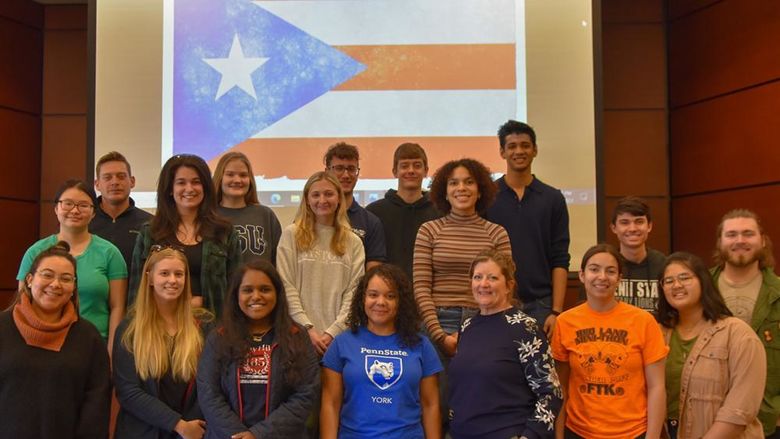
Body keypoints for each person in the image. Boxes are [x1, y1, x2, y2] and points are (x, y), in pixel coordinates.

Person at [413, 158, 511, 433]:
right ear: (444, 192)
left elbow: (504, 288)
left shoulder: (497, 233)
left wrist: (479, 331)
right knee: (438, 405)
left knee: (477, 404)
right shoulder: (428, 231)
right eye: (453, 183)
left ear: (480, 190)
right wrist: (440, 336)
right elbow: (421, 287)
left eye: (469, 182)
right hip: (436, 324)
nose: (461, 188)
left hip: (484, 324)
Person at [551, 243, 667, 439]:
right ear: (581, 275)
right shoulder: (565, 322)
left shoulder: (643, 321)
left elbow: (657, 386)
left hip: (633, 432)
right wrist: (559, 435)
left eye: (610, 271)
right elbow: (561, 386)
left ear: (619, 279)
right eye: (594, 269)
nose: (602, 277)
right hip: (579, 432)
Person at [197, 260, 319, 439]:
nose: (256, 296)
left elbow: (307, 393)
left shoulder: (297, 336)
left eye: (264, 289)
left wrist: (259, 434)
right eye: (247, 290)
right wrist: (239, 435)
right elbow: (209, 393)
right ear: (236, 295)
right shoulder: (219, 337)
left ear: (277, 293)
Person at [1, 242, 111, 438]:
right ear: (29, 279)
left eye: (66, 278)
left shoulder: (88, 337)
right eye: (47, 275)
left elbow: (96, 405)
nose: (55, 284)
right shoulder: (2, 327)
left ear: (73, 287)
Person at [449, 249, 562, 439]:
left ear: (509, 285)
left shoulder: (525, 328)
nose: (483, 284)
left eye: (492, 278)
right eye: (478, 277)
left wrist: (530, 436)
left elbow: (551, 393)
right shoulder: (467, 327)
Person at [321, 264, 442, 439]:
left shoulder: (421, 345)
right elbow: (330, 404)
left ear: (401, 302)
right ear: (363, 298)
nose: (381, 302)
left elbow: (431, 405)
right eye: (373, 295)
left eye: (390, 296)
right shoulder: (341, 343)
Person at [658, 251, 765, 439]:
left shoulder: (738, 335)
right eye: (668, 281)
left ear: (703, 281)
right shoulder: (657, 333)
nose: (677, 285)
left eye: (685, 277)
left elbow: (740, 409)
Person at [114, 246, 213, 439]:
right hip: (142, 431)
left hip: (192, 432)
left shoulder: (204, 327)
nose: (173, 280)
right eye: (164, 273)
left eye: (179, 274)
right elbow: (128, 391)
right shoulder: (129, 329)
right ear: (150, 278)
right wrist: (178, 425)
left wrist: (190, 428)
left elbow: (210, 385)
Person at [17, 179, 127, 351]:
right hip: (41, 343)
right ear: (56, 208)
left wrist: (112, 351)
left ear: (93, 213)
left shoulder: (110, 253)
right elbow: (23, 302)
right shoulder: (35, 252)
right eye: (68, 204)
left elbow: (117, 307)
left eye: (83, 205)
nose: (75, 210)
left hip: (95, 345)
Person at [486, 120, 570, 338]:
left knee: (539, 372)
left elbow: (560, 257)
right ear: (502, 152)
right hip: (496, 302)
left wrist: (556, 311)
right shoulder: (487, 196)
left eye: (525, 145)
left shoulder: (553, 198)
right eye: (512, 146)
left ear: (535, 150)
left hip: (541, 305)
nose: (519, 151)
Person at [129, 154, 241, 316]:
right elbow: (136, 292)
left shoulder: (224, 232)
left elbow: (235, 288)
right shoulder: (150, 233)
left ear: (205, 188)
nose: (189, 189)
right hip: (159, 329)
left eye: (196, 182)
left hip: (213, 329)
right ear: (169, 189)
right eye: (181, 182)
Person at [277, 171, 365, 355]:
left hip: (339, 339)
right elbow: (286, 285)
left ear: (339, 199)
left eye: (329, 194)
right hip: (298, 336)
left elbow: (354, 292)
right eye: (316, 195)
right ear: (307, 200)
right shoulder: (291, 235)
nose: (322, 200)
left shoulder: (353, 241)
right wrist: (307, 328)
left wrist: (333, 332)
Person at [710, 209, 780, 437]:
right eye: (731, 234)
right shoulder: (700, 289)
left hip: (768, 421)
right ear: (720, 241)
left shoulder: (777, 293)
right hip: (710, 419)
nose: (740, 240)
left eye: (748, 233)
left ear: (762, 240)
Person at [367, 142, 441, 281]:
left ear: (426, 170)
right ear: (395, 171)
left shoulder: (440, 213)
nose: (411, 170)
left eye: (417, 165)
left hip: (428, 294)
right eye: (404, 165)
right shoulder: (374, 213)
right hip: (387, 294)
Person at [324, 142, 386, 270]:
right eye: (339, 168)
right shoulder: (311, 218)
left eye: (351, 169)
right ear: (327, 171)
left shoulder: (371, 222)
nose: (346, 175)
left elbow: (372, 275)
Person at [213, 151, 282, 264]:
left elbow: (278, 260)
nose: (237, 180)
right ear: (220, 178)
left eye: (243, 175)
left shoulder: (265, 215)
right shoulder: (210, 215)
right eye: (230, 174)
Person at [90, 151, 153, 273]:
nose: (115, 182)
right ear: (97, 184)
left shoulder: (150, 224)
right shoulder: (84, 221)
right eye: (107, 177)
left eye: (121, 176)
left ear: (132, 181)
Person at [610, 196, 665, 312]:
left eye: (639, 222)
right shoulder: (604, 267)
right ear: (614, 228)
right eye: (624, 222)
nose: (632, 228)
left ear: (649, 226)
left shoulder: (664, 265)